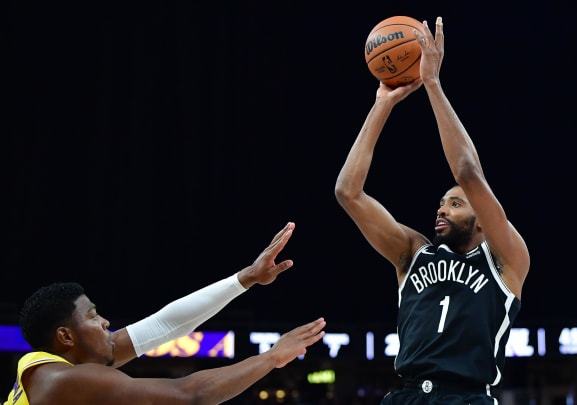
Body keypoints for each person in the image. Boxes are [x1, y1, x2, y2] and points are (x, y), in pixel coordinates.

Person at [335, 16, 530, 405]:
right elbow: (347, 192)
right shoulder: (414, 253)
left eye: (455, 203)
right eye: (441, 202)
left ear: (481, 217)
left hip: (467, 397)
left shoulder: (506, 259)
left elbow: (467, 171)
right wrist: (382, 105)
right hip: (405, 395)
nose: (442, 210)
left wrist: (432, 84)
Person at [4, 222, 326, 405]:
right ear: (65, 336)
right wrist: (271, 357)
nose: (105, 323)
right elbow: (191, 395)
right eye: (92, 317)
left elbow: (165, 324)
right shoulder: (64, 382)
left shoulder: (50, 369)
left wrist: (245, 278)